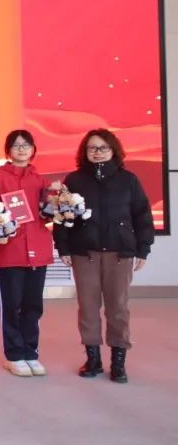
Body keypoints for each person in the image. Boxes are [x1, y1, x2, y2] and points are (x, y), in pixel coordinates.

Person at [55, 129, 153, 383]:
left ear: (113, 150)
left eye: (103, 148)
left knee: (118, 308)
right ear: (84, 152)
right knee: (88, 308)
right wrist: (63, 248)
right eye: (92, 148)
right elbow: (62, 215)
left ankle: (118, 362)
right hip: (84, 253)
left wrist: (143, 248)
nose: (97, 152)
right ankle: (93, 359)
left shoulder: (128, 180)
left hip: (119, 253)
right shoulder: (74, 180)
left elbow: (142, 216)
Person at [0, 130, 54, 377]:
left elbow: (47, 214)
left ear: (33, 149)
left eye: (26, 145)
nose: (21, 149)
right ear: (8, 151)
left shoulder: (41, 180)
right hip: (9, 252)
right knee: (11, 305)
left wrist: (56, 200)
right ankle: (14, 355)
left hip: (38, 250)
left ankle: (31, 352)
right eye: (16, 145)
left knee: (33, 305)